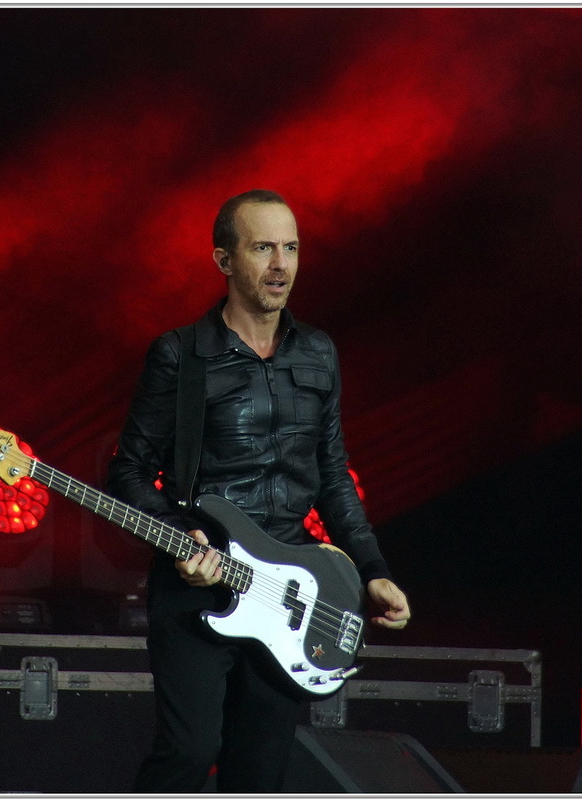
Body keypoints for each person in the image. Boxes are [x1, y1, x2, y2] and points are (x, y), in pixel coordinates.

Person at [107, 189, 411, 793]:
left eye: (291, 248)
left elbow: (333, 474)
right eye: (263, 247)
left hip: (289, 597)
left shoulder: (319, 353)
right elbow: (128, 472)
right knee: (188, 755)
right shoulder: (180, 356)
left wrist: (372, 569)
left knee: (259, 776)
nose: (281, 265)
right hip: (199, 590)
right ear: (224, 261)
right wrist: (181, 538)